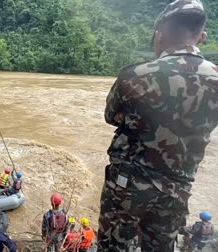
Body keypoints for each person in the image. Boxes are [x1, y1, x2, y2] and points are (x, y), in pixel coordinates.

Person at [97, 1, 218, 251]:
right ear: (202, 37)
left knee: (112, 246)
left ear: (159, 35)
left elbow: (111, 116)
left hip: (128, 185)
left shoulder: (136, 75)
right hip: (178, 188)